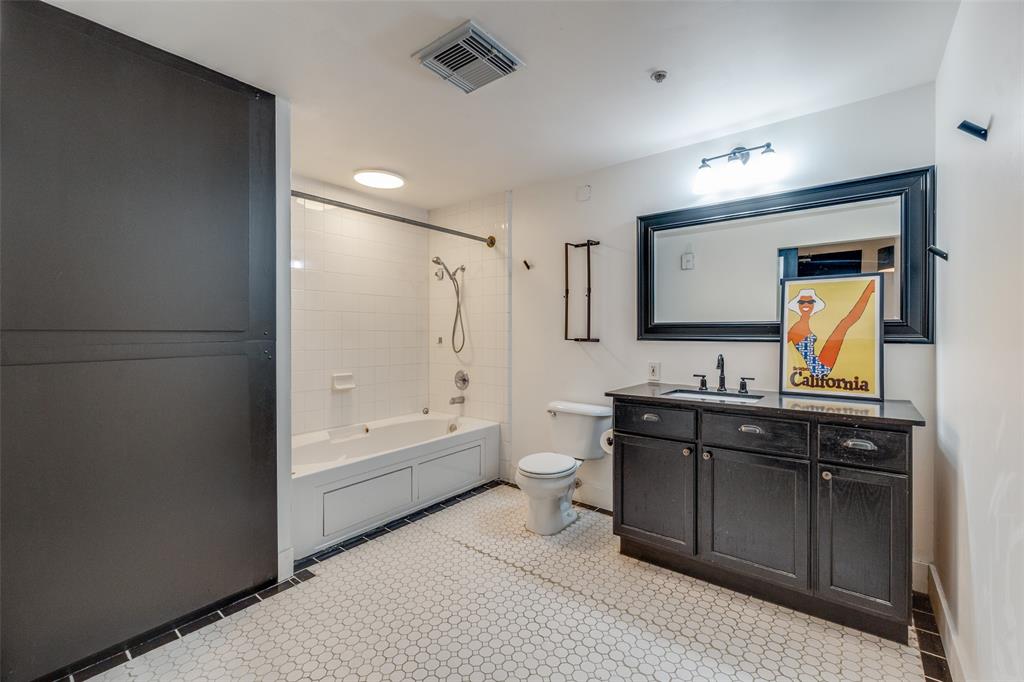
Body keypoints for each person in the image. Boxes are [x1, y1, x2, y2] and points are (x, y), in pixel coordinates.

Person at [786, 280, 876, 378]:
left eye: (810, 302)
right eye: (802, 302)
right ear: (798, 305)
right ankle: (869, 290)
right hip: (818, 367)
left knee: (845, 323)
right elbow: (784, 344)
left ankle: (869, 290)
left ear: (813, 305)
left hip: (818, 364)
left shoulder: (807, 322)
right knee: (844, 324)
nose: (806, 304)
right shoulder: (795, 327)